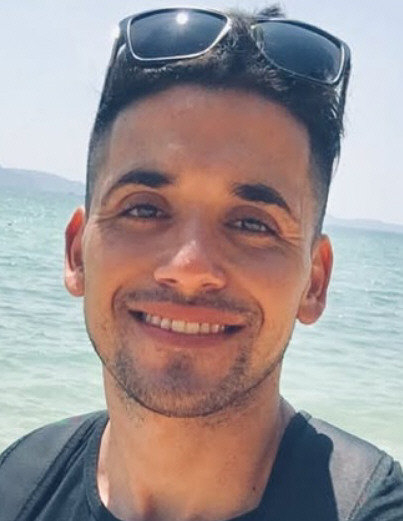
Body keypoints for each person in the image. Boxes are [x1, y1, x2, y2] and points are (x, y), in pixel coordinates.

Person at [0, 5, 402, 521]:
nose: (190, 266)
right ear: (77, 252)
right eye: (144, 209)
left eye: (252, 223)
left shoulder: (371, 508)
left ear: (314, 282)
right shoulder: (19, 484)